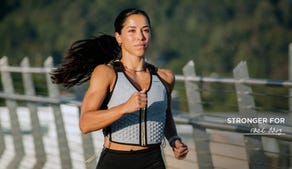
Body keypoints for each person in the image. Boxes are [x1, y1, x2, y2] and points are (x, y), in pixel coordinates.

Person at [51, 8, 189, 169]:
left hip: (154, 161)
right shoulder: (106, 73)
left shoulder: (165, 77)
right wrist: (125, 108)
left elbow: (166, 113)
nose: (140, 36)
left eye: (145, 30)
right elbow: (85, 123)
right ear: (119, 37)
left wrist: (174, 139)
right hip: (116, 161)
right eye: (132, 31)